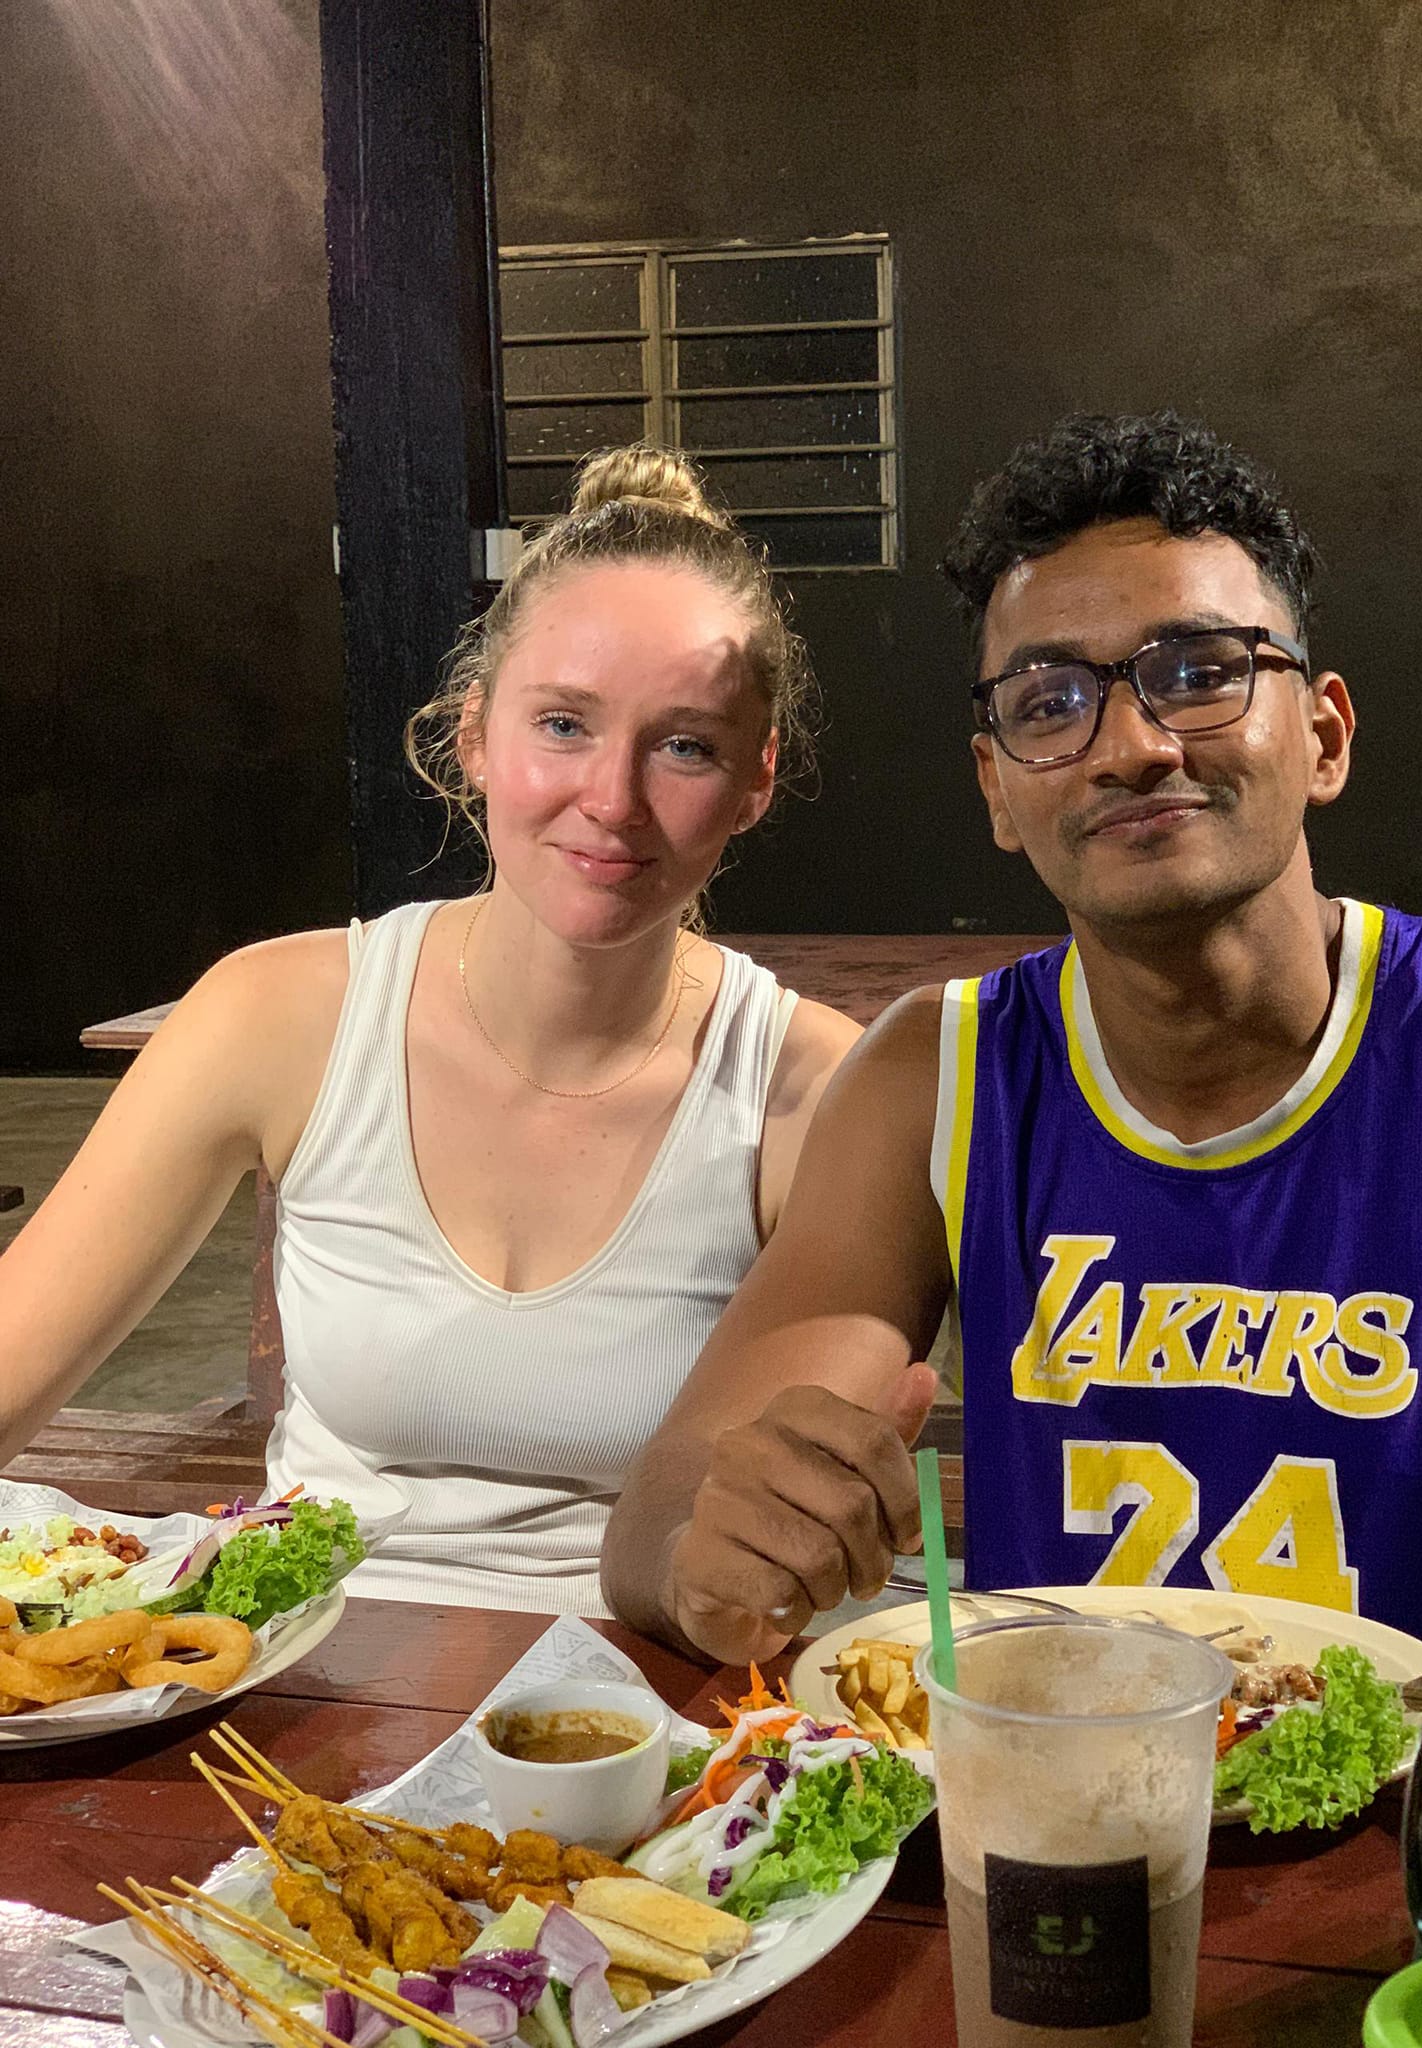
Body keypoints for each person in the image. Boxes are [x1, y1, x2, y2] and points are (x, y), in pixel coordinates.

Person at [604, 410, 1422, 1673]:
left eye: (1201, 671)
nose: (1135, 747)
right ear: (998, 786)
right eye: (1053, 702)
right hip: (1065, 1832)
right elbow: (659, 1519)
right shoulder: (938, 1075)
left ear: (1323, 735)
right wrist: (716, 1551)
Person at [0, 446, 860, 1612]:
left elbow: (798, 1531)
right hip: (295, 1695)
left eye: (686, 744)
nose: (611, 798)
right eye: (563, 723)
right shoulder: (275, 1014)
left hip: (660, 1722)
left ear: (756, 781)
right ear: (474, 735)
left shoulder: (810, 1088)